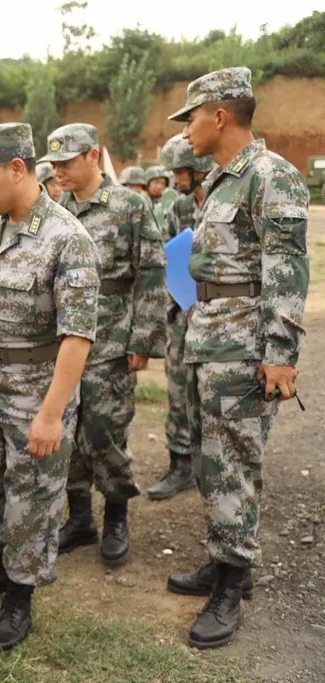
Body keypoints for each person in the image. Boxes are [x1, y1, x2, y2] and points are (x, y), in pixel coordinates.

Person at [165, 66, 308, 649]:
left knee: (235, 466)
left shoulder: (270, 177)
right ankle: (223, 563)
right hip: (213, 341)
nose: (186, 131)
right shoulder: (224, 178)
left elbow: (287, 270)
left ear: (219, 115)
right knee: (214, 462)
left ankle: (233, 581)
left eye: (191, 118)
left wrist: (280, 355)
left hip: (247, 349)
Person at [0, 123, 99, 651]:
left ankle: (20, 592)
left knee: (30, 499)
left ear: (16, 169)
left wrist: (52, 413)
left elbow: (77, 337)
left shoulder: (67, 238)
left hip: (37, 390)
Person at [40, 123, 166, 567]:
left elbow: (151, 271)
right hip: (64, 343)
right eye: (53, 164)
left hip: (111, 341)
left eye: (67, 163)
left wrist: (145, 339)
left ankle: (116, 514)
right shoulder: (55, 209)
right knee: (67, 431)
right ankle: (80, 517)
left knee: (105, 431)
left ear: (93, 157)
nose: (58, 172)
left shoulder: (129, 206)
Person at [146, 134, 214, 501]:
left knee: (212, 395)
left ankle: (212, 468)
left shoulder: (222, 202)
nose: (175, 178)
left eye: (180, 171)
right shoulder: (179, 209)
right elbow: (167, 255)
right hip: (181, 312)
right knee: (177, 391)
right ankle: (180, 466)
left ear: (199, 168)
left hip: (219, 318)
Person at [145, 164, 178, 233]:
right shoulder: (142, 201)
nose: (159, 187)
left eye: (163, 183)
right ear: (147, 183)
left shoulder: (168, 204)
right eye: (156, 182)